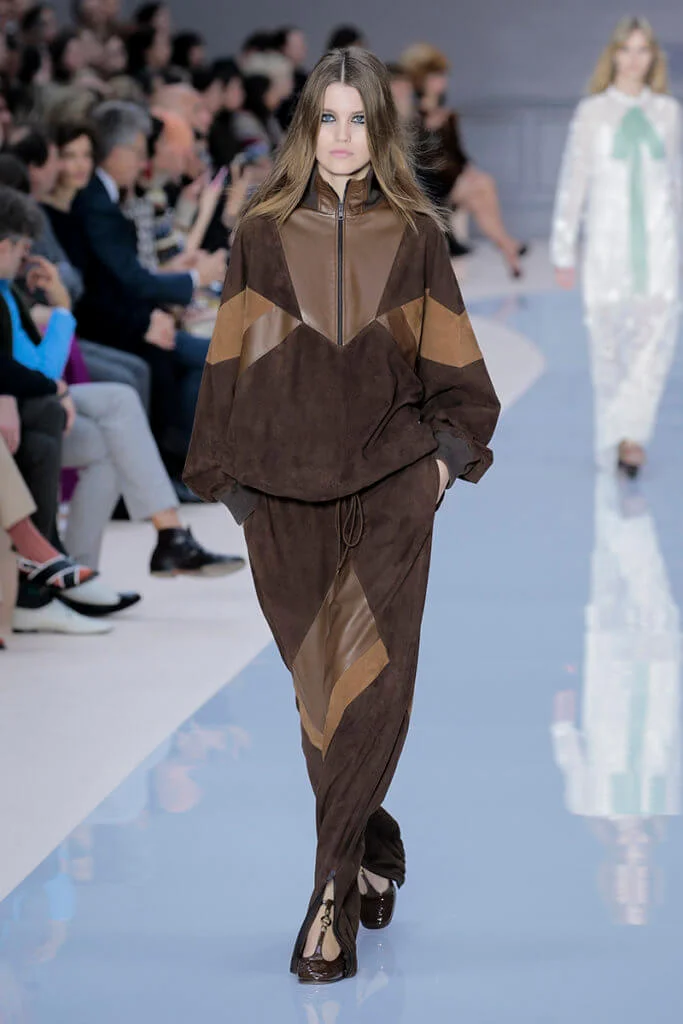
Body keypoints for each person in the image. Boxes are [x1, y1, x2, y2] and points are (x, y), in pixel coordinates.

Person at [184, 47, 500, 983]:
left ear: (381, 130)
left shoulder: (415, 236)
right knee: (320, 695)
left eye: (358, 119)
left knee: (370, 690)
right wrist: (232, 489)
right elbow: (226, 372)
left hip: (390, 487)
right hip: (280, 498)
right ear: (305, 128)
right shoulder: (259, 235)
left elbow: (457, 373)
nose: (342, 136)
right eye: (327, 118)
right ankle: (369, 841)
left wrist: (436, 469)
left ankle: (329, 904)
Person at [0, 184, 245, 584]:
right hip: (29, 406)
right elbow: (43, 372)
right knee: (115, 423)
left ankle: (92, 567)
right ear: (4, 246)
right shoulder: (6, 296)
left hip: (33, 401)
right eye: (23, 249)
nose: (27, 258)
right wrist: (62, 309)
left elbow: (39, 372)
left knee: (118, 414)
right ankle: (152, 543)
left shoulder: (7, 294)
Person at [551, 16, 681, 476]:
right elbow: (574, 180)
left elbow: (677, 181)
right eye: (626, 49)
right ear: (613, 54)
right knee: (608, 341)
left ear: (653, 58)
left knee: (655, 338)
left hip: (659, 243)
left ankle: (633, 437)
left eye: (642, 50)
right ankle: (615, 431)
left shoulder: (669, 112)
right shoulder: (593, 112)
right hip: (607, 244)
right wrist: (563, 247)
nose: (633, 59)